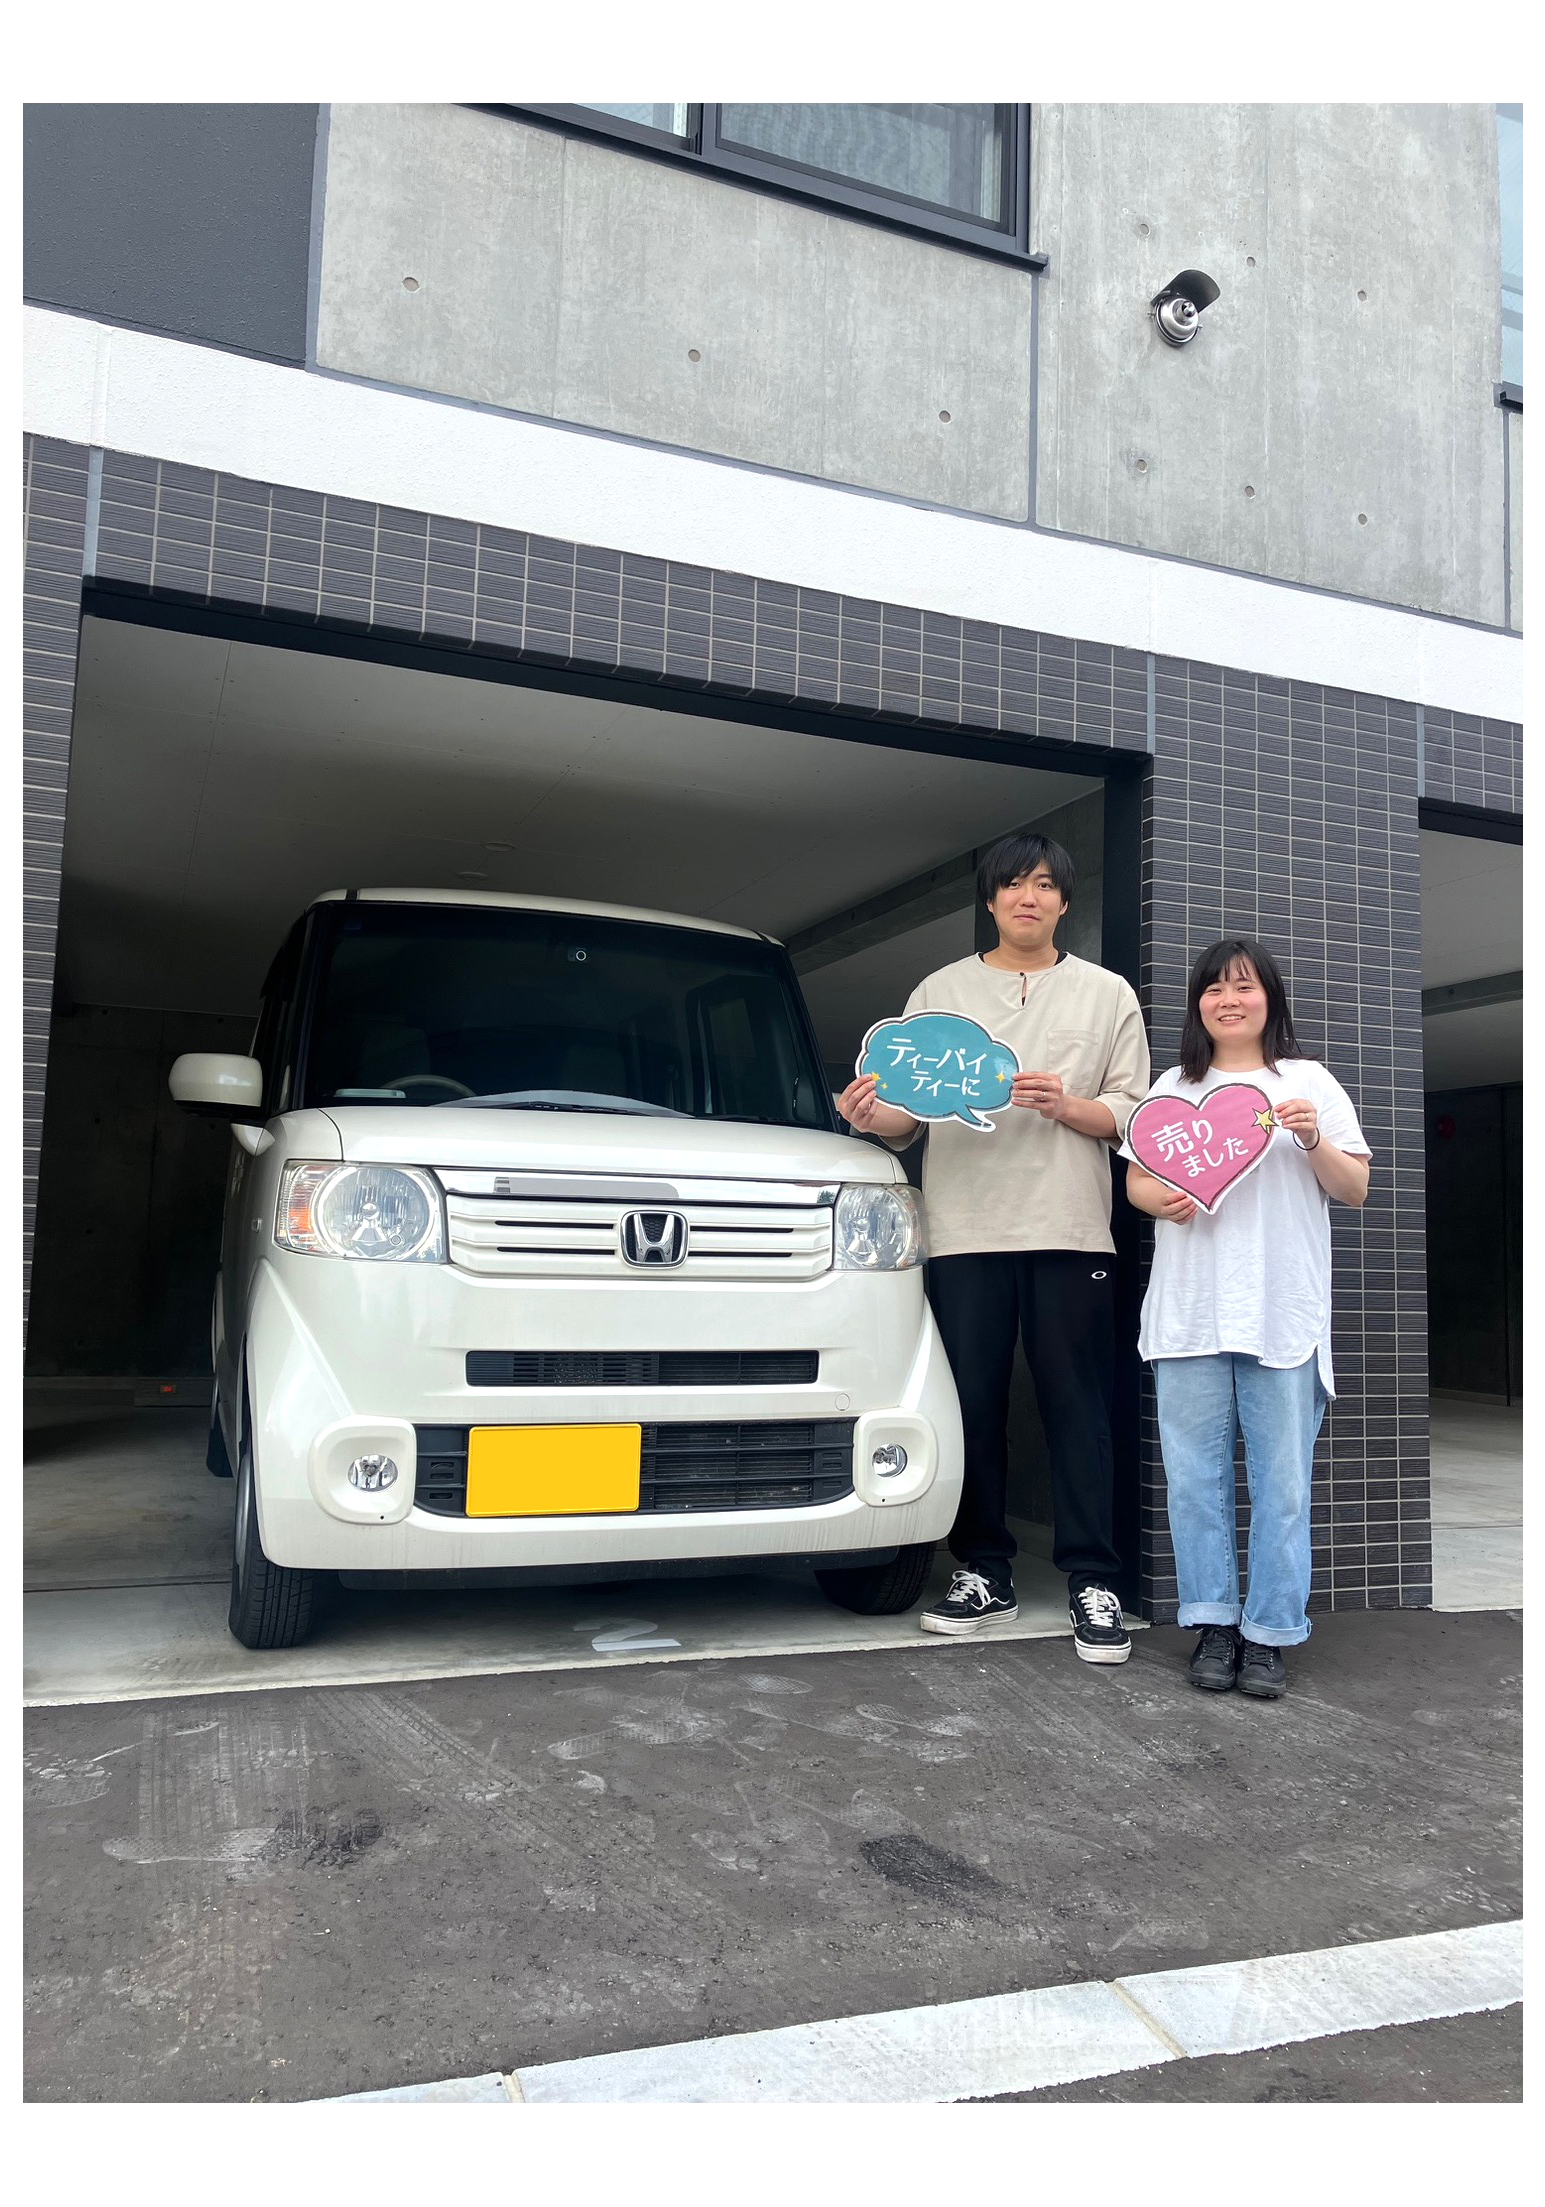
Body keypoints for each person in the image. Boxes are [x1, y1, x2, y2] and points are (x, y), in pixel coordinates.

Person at [836, 832, 1150, 1662]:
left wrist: (1067, 1105)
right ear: (989, 898)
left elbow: (1132, 1113)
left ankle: (1093, 1578)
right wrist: (871, 1115)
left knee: (1077, 1404)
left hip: (1069, 1228)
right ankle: (983, 1569)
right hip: (963, 1231)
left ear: (1064, 901)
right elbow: (905, 1116)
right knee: (970, 1403)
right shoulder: (939, 990)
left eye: (1044, 884)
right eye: (1012, 883)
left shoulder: (1106, 993)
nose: (1027, 897)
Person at [1120, 938, 1371, 1699]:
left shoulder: (1308, 1081)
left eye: (1244, 986)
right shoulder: (1173, 1086)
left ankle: (1269, 1632)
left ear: (1270, 998)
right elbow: (1137, 1180)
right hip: (1189, 1314)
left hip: (1281, 1314)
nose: (1228, 1000)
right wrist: (1159, 1199)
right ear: (1197, 1004)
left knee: (1282, 1486)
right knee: (1194, 1483)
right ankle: (1213, 1625)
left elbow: (1354, 1187)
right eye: (1214, 989)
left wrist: (1311, 1137)